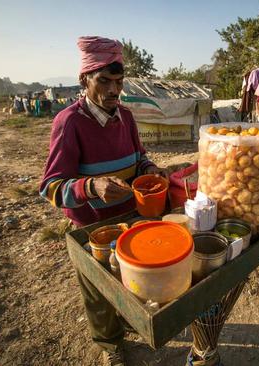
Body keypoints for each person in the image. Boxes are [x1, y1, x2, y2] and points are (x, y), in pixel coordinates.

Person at [39, 36, 165, 366]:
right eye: (104, 81)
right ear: (85, 80)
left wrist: (150, 169)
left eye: (119, 82)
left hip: (131, 217)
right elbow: (51, 187)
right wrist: (91, 187)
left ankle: (126, 322)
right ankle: (110, 344)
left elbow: (140, 157)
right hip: (93, 228)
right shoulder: (70, 122)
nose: (114, 90)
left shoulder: (126, 115)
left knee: (128, 279)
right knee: (98, 292)